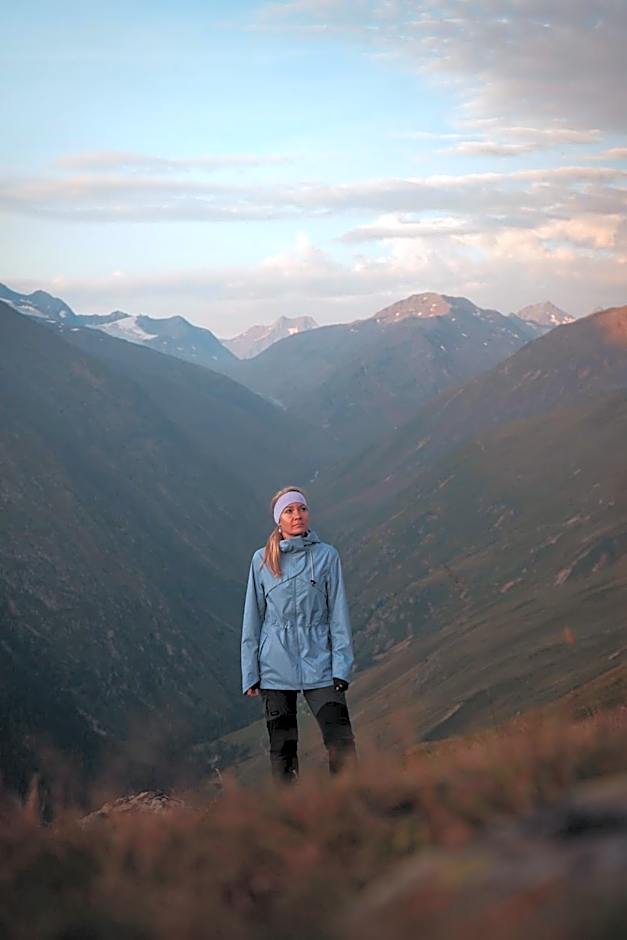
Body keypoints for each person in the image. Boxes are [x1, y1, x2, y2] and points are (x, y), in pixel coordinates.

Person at [241, 486, 356, 782]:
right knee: (283, 747)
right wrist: (250, 672)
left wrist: (341, 665)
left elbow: (338, 615)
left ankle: (349, 805)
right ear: (279, 519)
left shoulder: (327, 556)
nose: (297, 516)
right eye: (289, 511)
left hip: (319, 661)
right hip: (274, 665)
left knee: (341, 740)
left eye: (302, 509)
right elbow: (252, 619)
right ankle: (289, 816)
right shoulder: (262, 560)